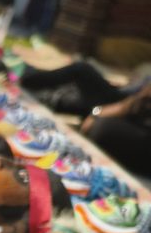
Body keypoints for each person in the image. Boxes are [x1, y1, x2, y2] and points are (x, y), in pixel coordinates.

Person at [20, 60, 151, 175]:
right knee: (83, 73)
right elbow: (131, 100)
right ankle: (36, 84)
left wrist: (96, 113)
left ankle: (31, 81)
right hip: (120, 103)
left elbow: (129, 106)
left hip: (126, 117)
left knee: (99, 125)